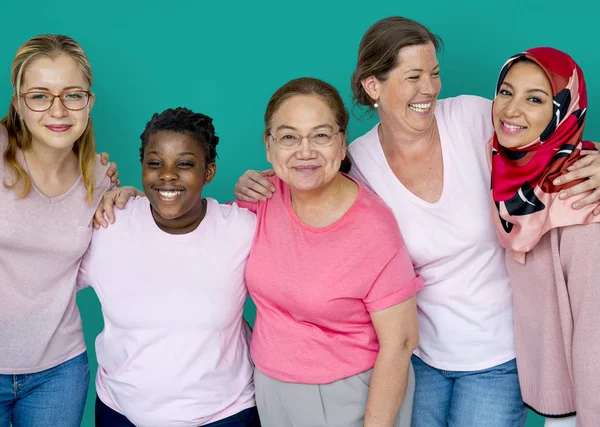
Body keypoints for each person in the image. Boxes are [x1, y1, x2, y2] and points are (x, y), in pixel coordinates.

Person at [231, 17, 600, 427]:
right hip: (418, 357)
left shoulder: (474, 118)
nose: (429, 88)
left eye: (434, 73)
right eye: (413, 76)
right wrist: (254, 183)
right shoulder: (357, 163)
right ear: (374, 87)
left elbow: (548, 141)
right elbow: (307, 173)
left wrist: (599, 159)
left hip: (499, 356)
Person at [98, 78, 422, 426]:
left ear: (342, 144)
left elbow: (400, 342)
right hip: (269, 394)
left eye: (321, 135)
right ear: (269, 147)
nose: (305, 150)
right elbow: (187, 218)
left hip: (349, 395)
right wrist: (130, 198)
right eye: (288, 137)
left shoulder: (373, 226)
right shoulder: (262, 202)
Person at [77, 107, 261, 427]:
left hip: (224, 414)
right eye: (154, 164)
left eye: (185, 164)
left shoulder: (242, 230)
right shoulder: (109, 224)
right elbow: (45, 280)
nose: (167, 175)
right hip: (121, 412)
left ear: (209, 172)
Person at [0, 34, 118, 427]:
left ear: (89, 102)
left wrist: (127, 194)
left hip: (59, 371)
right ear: (18, 103)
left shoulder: (102, 179)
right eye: (39, 95)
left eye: (72, 95)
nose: (58, 110)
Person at [489, 47, 600, 427]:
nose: (511, 110)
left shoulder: (582, 201)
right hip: (551, 396)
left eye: (535, 99)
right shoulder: (505, 168)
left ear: (564, 112)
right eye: (506, 92)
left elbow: (595, 338)